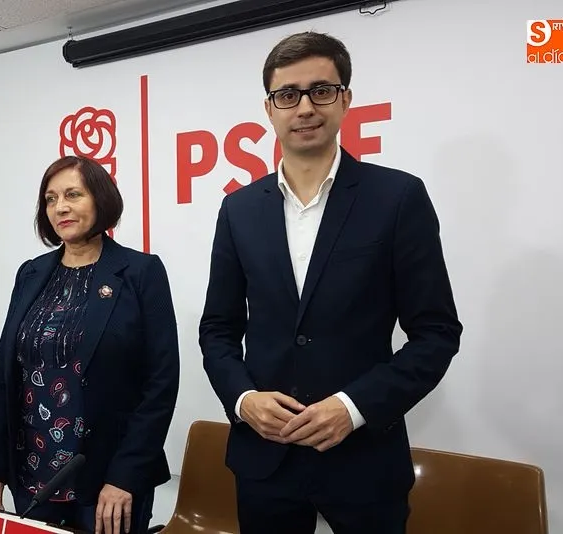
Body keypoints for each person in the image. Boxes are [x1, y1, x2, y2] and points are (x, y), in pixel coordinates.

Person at [198, 31, 462, 534]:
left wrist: (353, 407)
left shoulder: (397, 198)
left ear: (345, 99)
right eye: (287, 94)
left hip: (364, 460)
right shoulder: (239, 210)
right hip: (265, 460)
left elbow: (436, 334)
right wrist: (244, 400)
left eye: (321, 90)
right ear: (269, 108)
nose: (304, 107)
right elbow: (218, 330)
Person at [0, 155, 180, 534]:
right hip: (33, 472)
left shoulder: (141, 272)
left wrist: (125, 476)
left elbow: (161, 384)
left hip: (109, 479)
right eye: (50, 199)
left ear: (101, 199)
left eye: (73, 195)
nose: (60, 207)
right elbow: (3, 376)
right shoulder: (31, 273)